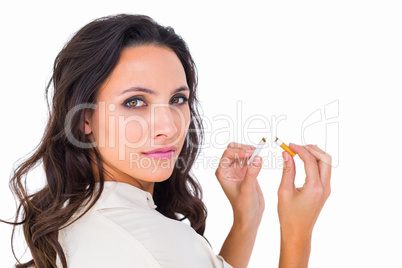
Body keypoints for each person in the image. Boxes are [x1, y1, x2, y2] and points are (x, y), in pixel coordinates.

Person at [2, 14, 332, 268]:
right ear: (83, 118)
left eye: (177, 99)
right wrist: (297, 232)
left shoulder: (86, 218)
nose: (169, 127)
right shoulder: (150, 239)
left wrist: (247, 219)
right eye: (135, 102)